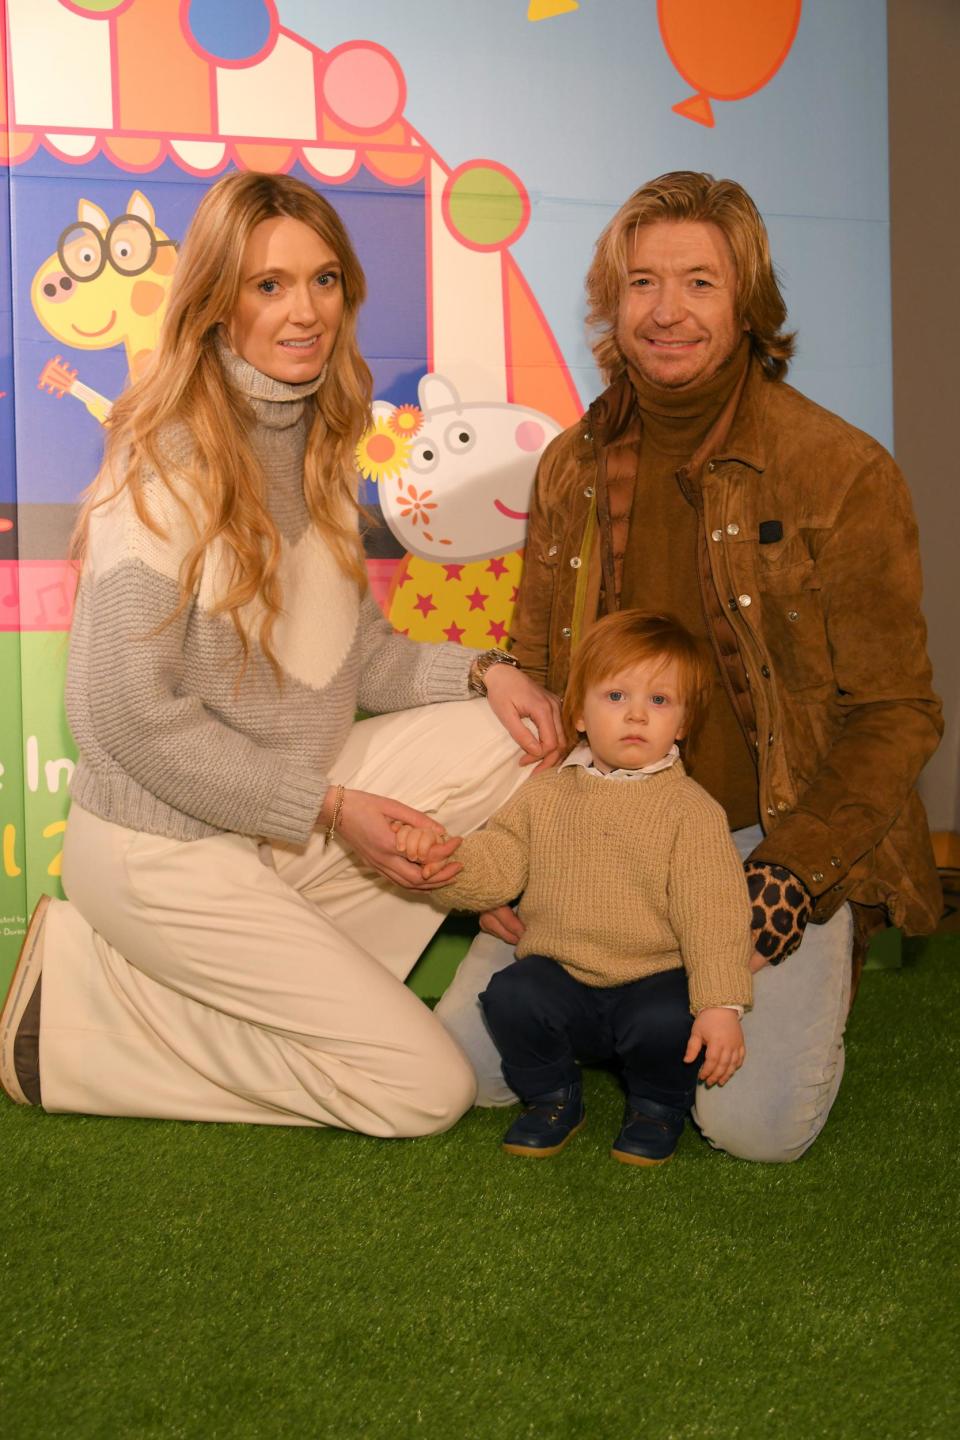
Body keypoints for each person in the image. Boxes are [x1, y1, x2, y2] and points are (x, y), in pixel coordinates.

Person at [0, 172, 563, 1137]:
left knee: (515, 736)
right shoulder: (164, 463)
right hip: (160, 849)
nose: (304, 311)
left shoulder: (318, 445)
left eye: (325, 279)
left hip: (272, 821)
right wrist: (331, 810)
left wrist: (488, 670)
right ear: (217, 301)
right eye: (269, 286)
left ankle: (238, 986)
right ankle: (84, 1023)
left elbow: (362, 661)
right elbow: (123, 714)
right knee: (423, 1092)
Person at [436, 170, 943, 1164]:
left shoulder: (844, 473)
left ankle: (779, 967)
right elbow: (541, 667)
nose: (666, 312)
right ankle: (629, 999)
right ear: (609, 303)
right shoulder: (570, 465)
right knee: (465, 1075)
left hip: (762, 839)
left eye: (701, 283)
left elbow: (897, 712)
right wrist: (512, 844)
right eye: (641, 283)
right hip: (595, 825)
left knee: (750, 1129)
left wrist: (792, 875)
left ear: (749, 302)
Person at [395, 612, 752, 1166]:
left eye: (660, 701)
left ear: (683, 725)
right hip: (563, 974)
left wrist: (721, 1003)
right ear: (579, 714)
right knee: (512, 994)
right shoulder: (547, 796)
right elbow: (500, 862)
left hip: (651, 980)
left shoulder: (690, 811)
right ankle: (553, 1098)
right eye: (616, 695)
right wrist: (448, 858)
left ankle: (657, 1107)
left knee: (671, 1023)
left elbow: (714, 915)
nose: (636, 714)